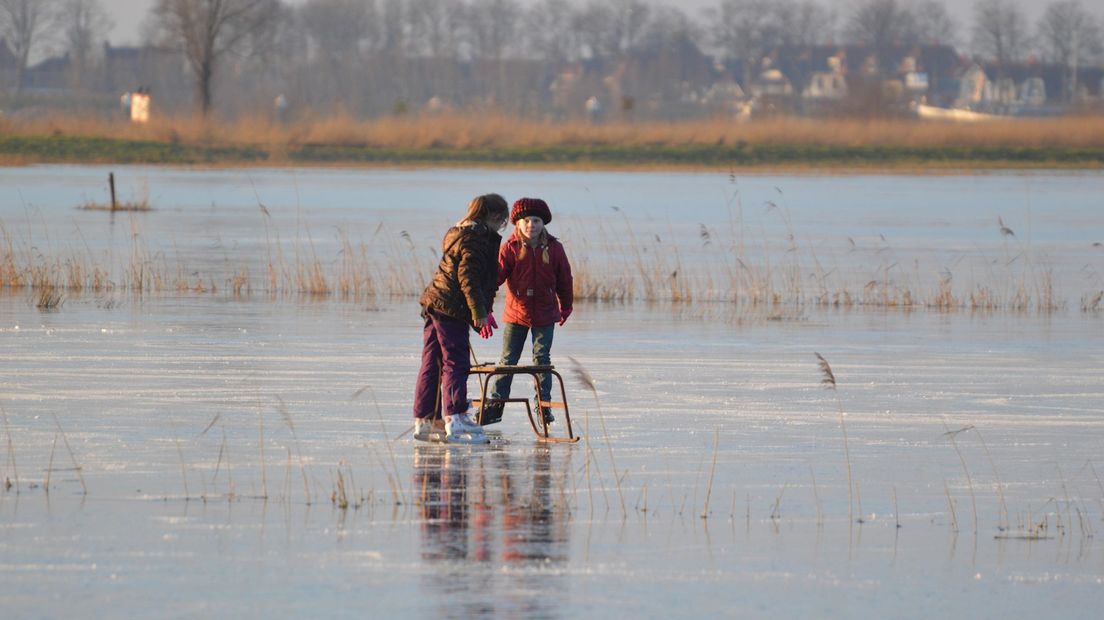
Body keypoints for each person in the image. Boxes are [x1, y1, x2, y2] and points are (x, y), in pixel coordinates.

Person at [413, 193, 509, 443]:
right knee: (456, 361)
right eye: (503, 221)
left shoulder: (459, 231)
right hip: (450, 307)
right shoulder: (476, 238)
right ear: (497, 217)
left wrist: (485, 310)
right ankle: (454, 418)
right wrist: (478, 312)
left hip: (435, 301)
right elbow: (469, 277)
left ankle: (426, 419)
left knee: (432, 361)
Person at [481, 198, 573, 426]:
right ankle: (495, 406)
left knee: (542, 360)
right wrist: (486, 307)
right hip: (516, 314)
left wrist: (566, 305)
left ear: (543, 223)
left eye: (536, 220)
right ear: (517, 224)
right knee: (507, 360)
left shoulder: (554, 248)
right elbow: (494, 280)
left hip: (545, 313)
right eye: (526, 221)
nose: (531, 225)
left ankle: (544, 406)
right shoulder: (510, 248)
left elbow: (564, 279)